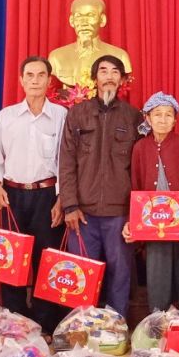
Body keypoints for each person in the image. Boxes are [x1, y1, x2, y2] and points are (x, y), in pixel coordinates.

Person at [0, 56, 67, 332]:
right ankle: (15, 319)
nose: (35, 80)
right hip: (12, 196)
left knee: (46, 259)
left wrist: (62, 199)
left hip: (48, 196)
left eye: (41, 75)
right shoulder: (6, 117)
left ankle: (46, 322)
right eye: (29, 75)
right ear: (21, 80)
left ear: (49, 80)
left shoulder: (61, 116)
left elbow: (66, 160)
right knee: (11, 260)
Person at [58, 55, 142, 318]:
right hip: (82, 212)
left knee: (121, 271)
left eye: (115, 72)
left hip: (119, 211)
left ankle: (116, 324)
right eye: (103, 71)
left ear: (122, 79)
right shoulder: (77, 114)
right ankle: (82, 325)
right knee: (82, 271)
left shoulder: (133, 116)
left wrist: (135, 212)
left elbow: (140, 166)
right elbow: (66, 162)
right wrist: (69, 205)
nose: (109, 76)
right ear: (95, 78)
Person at [121, 91, 179, 312]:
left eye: (168, 115)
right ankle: (159, 317)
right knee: (157, 265)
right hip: (153, 218)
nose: (162, 119)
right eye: (157, 114)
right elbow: (136, 185)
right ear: (148, 118)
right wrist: (134, 220)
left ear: (175, 120)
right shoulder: (140, 148)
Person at [48, 0, 133, 87]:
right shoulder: (56, 57)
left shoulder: (119, 56)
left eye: (90, 15)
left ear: (102, 20)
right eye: (78, 16)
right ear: (72, 21)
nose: (84, 22)